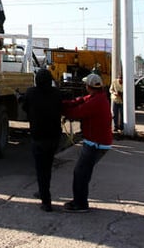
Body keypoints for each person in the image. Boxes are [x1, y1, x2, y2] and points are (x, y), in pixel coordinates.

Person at [61, 73, 113, 213]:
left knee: (81, 174)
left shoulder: (96, 102)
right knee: (82, 173)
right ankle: (79, 201)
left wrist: (62, 109)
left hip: (95, 144)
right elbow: (79, 101)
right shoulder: (97, 97)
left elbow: (77, 112)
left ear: (89, 86)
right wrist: (64, 103)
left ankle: (80, 204)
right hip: (96, 142)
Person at [19, 68, 63, 211]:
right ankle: (43, 193)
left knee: (40, 170)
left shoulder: (31, 93)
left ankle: (46, 201)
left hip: (38, 138)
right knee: (47, 169)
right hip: (54, 138)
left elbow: (25, 107)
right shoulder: (56, 93)